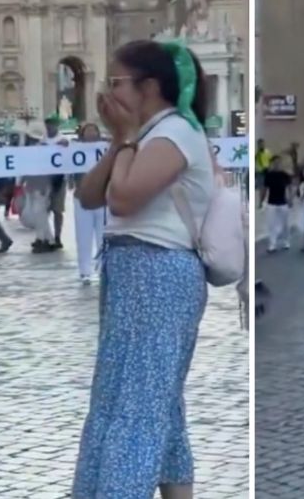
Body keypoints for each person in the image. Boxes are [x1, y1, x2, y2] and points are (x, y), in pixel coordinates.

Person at [72, 39, 214, 499]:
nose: (107, 93)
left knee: (136, 406)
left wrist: (129, 137)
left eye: (116, 82)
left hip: (158, 274)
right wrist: (120, 140)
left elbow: (124, 198)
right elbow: (89, 195)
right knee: (150, 400)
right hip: (134, 273)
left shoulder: (173, 134)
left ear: (149, 86)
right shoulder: (144, 135)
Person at [73, 123, 107, 283]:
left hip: (103, 198)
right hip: (82, 198)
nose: (92, 133)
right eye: (88, 131)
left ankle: (103, 268)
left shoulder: (106, 149)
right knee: (83, 236)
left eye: (94, 130)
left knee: (104, 236)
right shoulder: (74, 150)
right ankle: (84, 270)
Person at [41, 115, 70, 250]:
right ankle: (46, 236)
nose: (49, 127)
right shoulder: (42, 140)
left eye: (52, 124)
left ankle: (58, 236)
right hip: (44, 179)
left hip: (59, 179)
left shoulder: (63, 140)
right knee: (43, 210)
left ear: (56, 125)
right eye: (48, 124)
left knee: (57, 210)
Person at [261, 155, 292, 253]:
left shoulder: (285, 175)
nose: (277, 164)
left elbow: (289, 188)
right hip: (271, 203)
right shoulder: (269, 175)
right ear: (272, 164)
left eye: (279, 162)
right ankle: (272, 244)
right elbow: (265, 189)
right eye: (275, 163)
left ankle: (286, 241)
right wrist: (261, 200)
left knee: (285, 224)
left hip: (283, 202)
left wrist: (290, 199)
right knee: (272, 225)